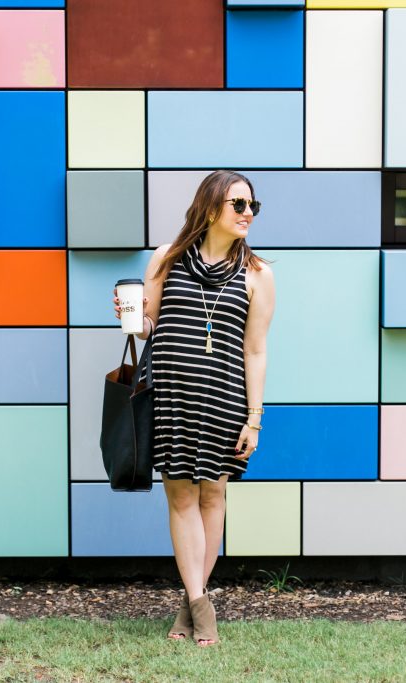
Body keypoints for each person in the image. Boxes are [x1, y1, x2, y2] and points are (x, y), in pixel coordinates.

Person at [112, 170, 276, 647]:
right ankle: (201, 606)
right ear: (210, 209)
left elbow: (256, 350)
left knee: (212, 498)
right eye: (238, 205)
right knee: (181, 498)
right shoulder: (167, 258)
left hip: (225, 401)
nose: (248, 213)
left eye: (252, 206)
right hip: (172, 400)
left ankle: (192, 606)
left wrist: (255, 419)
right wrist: (130, 316)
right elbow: (148, 325)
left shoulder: (258, 275)